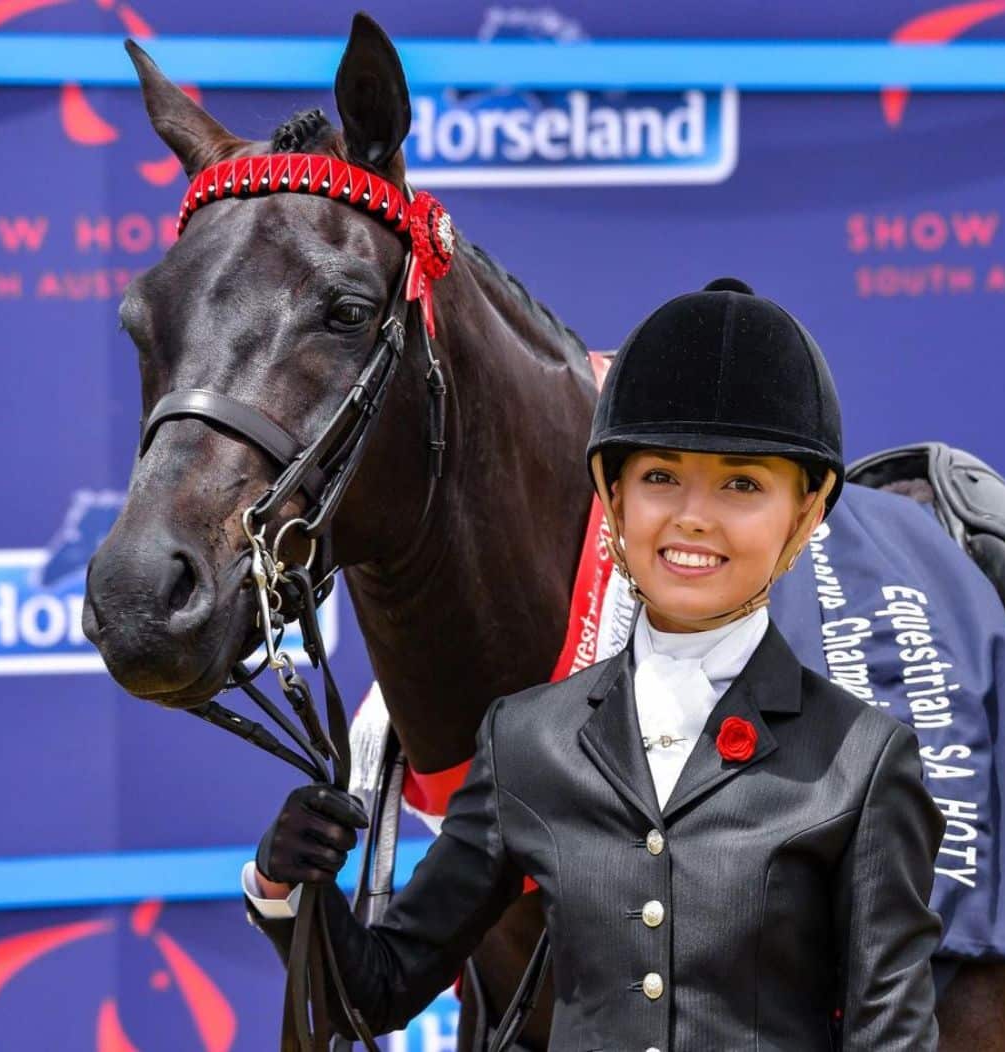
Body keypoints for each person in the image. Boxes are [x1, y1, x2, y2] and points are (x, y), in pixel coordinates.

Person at [243, 278, 945, 1050]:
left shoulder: (863, 764)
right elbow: (377, 989)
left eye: (742, 484)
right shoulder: (525, 740)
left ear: (807, 513)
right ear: (611, 497)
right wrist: (289, 888)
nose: (692, 516)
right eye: (659, 477)